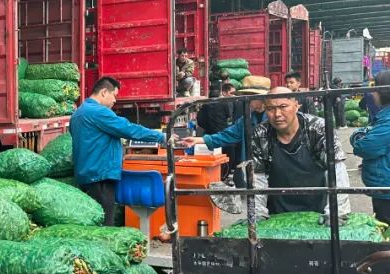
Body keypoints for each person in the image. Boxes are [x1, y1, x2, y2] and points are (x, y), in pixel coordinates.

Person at [185, 87, 350, 219]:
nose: (277, 114)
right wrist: (258, 214)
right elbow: (258, 177)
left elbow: (337, 170)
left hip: (317, 205)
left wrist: (336, 211)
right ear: (266, 107)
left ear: (296, 105)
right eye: (271, 108)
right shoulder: (260, 133)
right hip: (278, 207)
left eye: (283, 107)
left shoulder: (319, 129)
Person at [70, 76, 168, 225]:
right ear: (104, 92)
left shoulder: (78, 113)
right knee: (104, 224)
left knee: (91, 224)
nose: (115, 100)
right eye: (114, 95)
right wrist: (161, 137)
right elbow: (129, 129)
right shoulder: (98, 112)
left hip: (86, 176)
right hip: (100, 177)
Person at [350, 71, 390, 223]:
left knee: (385, 227)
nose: (373, 94)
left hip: (386, 190)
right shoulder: (384, 116)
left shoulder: (388, 120)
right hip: (384, 188)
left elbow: (365, 147)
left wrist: (357, 136)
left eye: (375, 89)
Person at [196, 82, 238, 177]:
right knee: (227, 155)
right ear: (220, 92)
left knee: (213, 157)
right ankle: (225, 175)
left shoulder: (205, 105)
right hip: (223, 133)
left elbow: (200, 120)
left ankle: (214, 175)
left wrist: (207, 128)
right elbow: (229, 115)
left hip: (210, 134)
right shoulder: (224, 103)